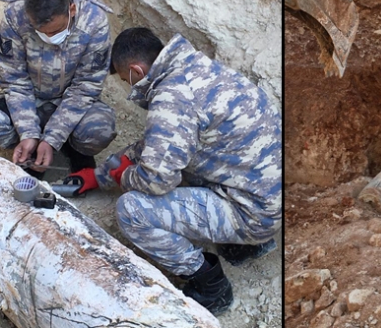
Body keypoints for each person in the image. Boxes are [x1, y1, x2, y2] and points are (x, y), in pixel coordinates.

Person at [64, 27, 282, 315]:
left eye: (123, 78)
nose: (127, 86)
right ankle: (243, 246)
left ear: (136, 70)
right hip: (270, 193)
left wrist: (122, 176)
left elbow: (155, 181)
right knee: (184, 161)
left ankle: (210, 285)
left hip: (254, 215)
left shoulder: (172, 98)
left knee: (131, 210)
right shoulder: (196, 68)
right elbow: (160, 143)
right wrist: (98, 175)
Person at [0, 0, 116, 175]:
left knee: (99, 129)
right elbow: (14, 79)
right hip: (29, 101)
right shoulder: (16, 14)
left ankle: (74, 148)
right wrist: (27, 132)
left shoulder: (94, 21)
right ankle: (29, 150)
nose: (50, 38)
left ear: (72, 10)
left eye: (56, 30)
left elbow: (85, 87)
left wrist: (53, 138)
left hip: (70, 102)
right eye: (41, 32)